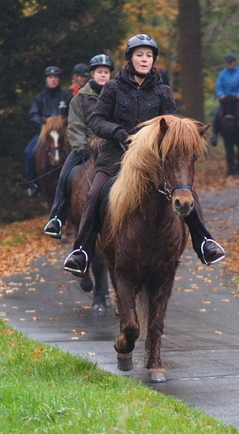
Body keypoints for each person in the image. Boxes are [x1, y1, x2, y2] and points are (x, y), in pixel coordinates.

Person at [63, 34, 225, 277]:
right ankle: (82, 251)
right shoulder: (113, 87)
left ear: (153, 60)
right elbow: (96, 120)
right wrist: (115, 131)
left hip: (153, 161)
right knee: (95, 193)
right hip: (116, 155)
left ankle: (204, 242)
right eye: (139, 55)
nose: (144, 59)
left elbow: (172, 125)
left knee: (185, 190)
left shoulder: (162, 90)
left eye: (148, 55)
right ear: (130, 58)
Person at [43, 54, 114, 239]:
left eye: (106, 72)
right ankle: (57, 217)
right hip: (87, 146)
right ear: (92, 74)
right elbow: (74, 125)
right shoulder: (79, 99)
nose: (103, 75)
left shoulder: (118, 96)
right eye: (99, 72)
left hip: (112, 147)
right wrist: (81, 145)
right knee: (65, 173)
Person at [25, 66, 70, 197]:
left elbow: (73, 111)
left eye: (55, 77)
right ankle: (33, 183)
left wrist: (65, 121)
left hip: (63, 132)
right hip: (45, 132)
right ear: (46, 79)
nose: (53, 80)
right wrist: (41, 123)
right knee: (29, 152)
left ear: (59, 79)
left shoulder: (66, 96)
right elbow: (33, 114)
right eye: (50, 77)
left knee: (78, 150)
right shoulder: (39, 98)